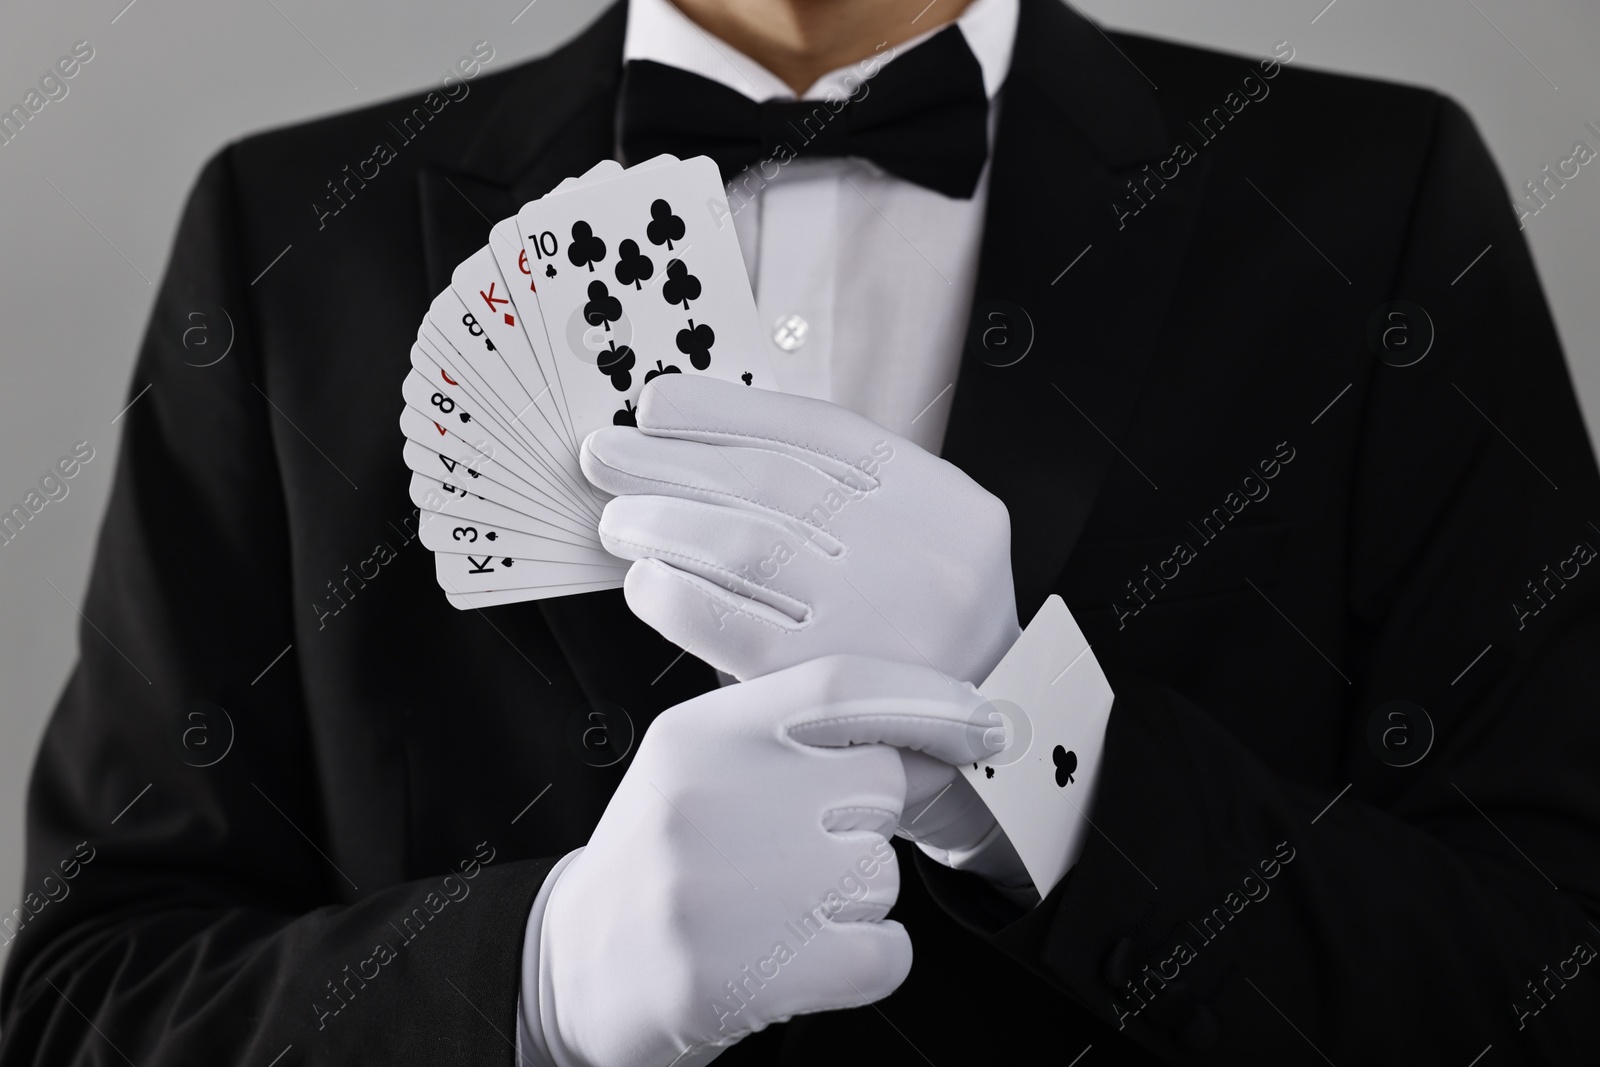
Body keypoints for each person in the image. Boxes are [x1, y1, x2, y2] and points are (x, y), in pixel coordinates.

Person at [4, 0, 1599, 1063]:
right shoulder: (290, 240)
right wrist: (538, 976)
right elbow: (90, 1000)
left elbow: (1549, 963)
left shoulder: (1368, 205)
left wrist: (1040, 754)